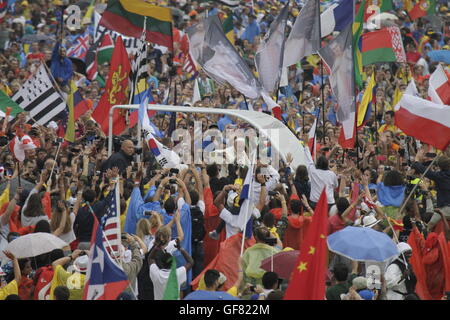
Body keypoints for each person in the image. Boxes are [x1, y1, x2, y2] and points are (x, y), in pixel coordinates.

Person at [412, 152, 450, 231]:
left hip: (445, 209)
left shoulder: (440, 176)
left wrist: (416, 161)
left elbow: (425, 171)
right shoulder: (440, 176)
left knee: (429, 226)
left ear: (439, 166)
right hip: (444, 207)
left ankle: (426, 241)